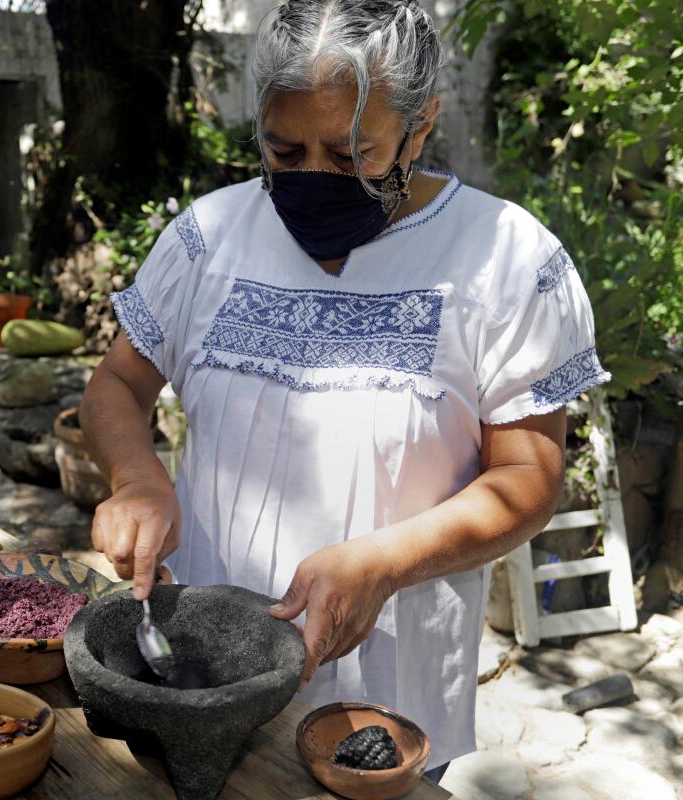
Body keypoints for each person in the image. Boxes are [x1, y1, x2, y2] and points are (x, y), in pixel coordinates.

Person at [79, 0, 608, 782]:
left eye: (351, 153)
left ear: (419, 128)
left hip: (382, 708)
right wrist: (137, 479)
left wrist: (380, 565)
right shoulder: (210, 238)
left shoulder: (505, 261)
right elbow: (118, 383)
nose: (313, 177)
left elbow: (528, 478)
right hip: (195, 679)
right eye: (284, 150)